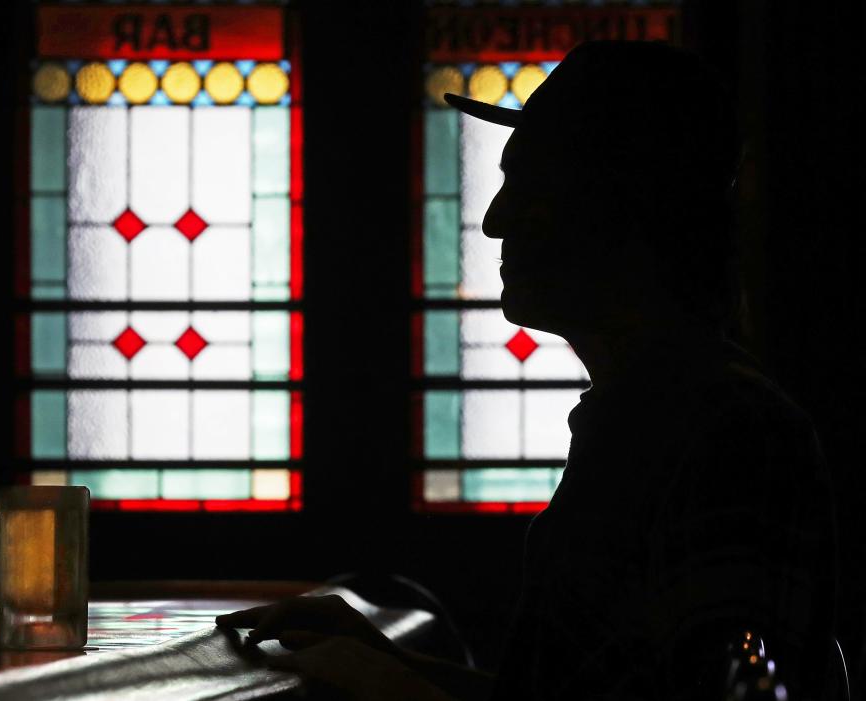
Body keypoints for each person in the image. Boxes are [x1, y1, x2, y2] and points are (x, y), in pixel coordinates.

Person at [216, 40, 839, 700]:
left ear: (620, 206)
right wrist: (392, 662)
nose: (493, 220)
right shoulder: (658, 418)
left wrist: (399, 691)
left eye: (529, 186)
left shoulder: (725, 436)